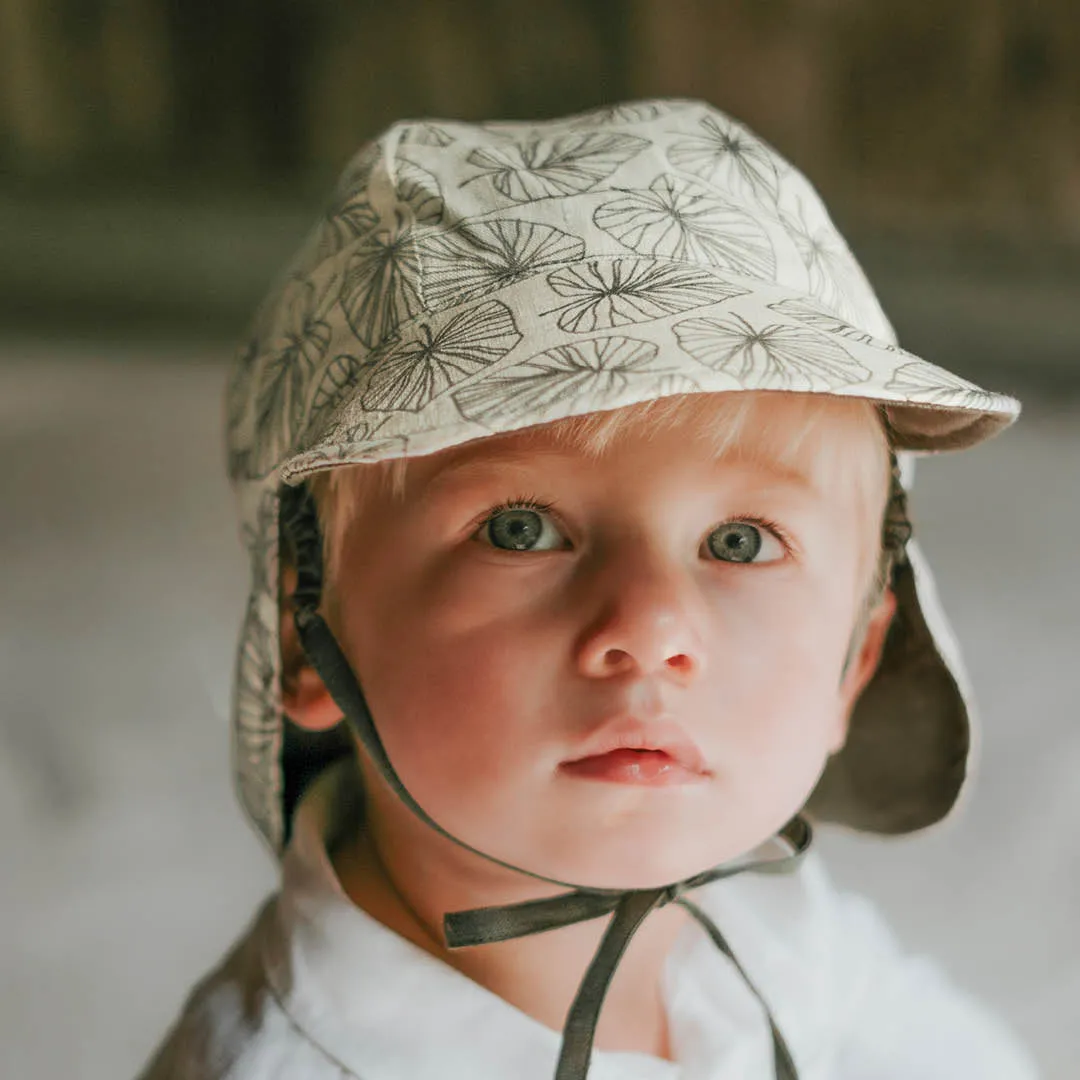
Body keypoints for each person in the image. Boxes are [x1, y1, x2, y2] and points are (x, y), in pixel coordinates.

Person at [139, 99, 1040, 1079]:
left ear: (855, 661)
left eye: (741, 541)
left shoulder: (774, 924)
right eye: (520, 529)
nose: (652, 626)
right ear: (300, 632)